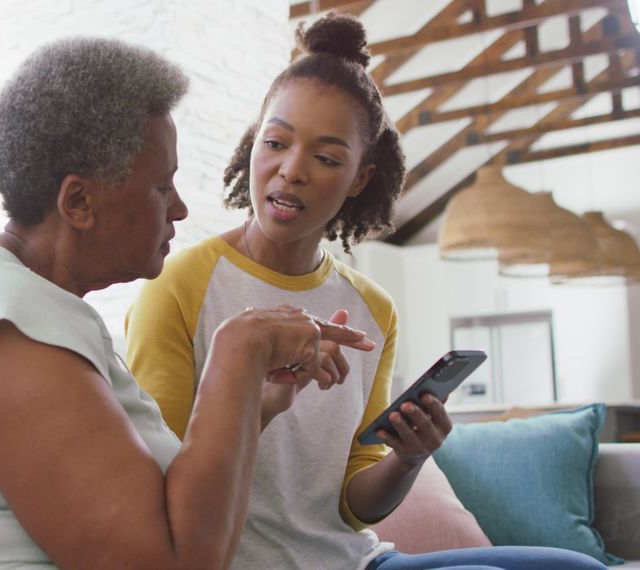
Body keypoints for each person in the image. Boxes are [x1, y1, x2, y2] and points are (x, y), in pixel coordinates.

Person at [0, 37, 375, 569]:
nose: (179, 210)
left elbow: (172, 518)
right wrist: (239, 348)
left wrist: (254, 406)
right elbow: (165, 565)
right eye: (163, 186)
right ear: (79, 202)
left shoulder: (45, 312)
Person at [125, 12, 606, 570]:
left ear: (360, 178)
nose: (291, 170)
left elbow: (356, 507)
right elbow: (165, 478)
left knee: (578, 569)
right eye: (275, 142)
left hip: (356, 561)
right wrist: (256, 402)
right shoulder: (179, 286)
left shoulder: (372, 310)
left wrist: (407, 458)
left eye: (326, 158)